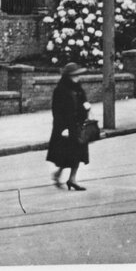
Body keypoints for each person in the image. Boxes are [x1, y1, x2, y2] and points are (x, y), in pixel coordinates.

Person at [48, 61, 92, 191]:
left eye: (78, 75)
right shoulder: (60, 90)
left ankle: (72, 179)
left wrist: (86, 107)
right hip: (66, 127)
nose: (77, 78)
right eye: (74, 75)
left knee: (78, 153)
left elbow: (83, 102)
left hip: (78, 126)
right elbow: (57, 111)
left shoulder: (78, 88)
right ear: (68, 76)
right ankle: (58, 173)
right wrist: (63, 128)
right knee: (67, 154)